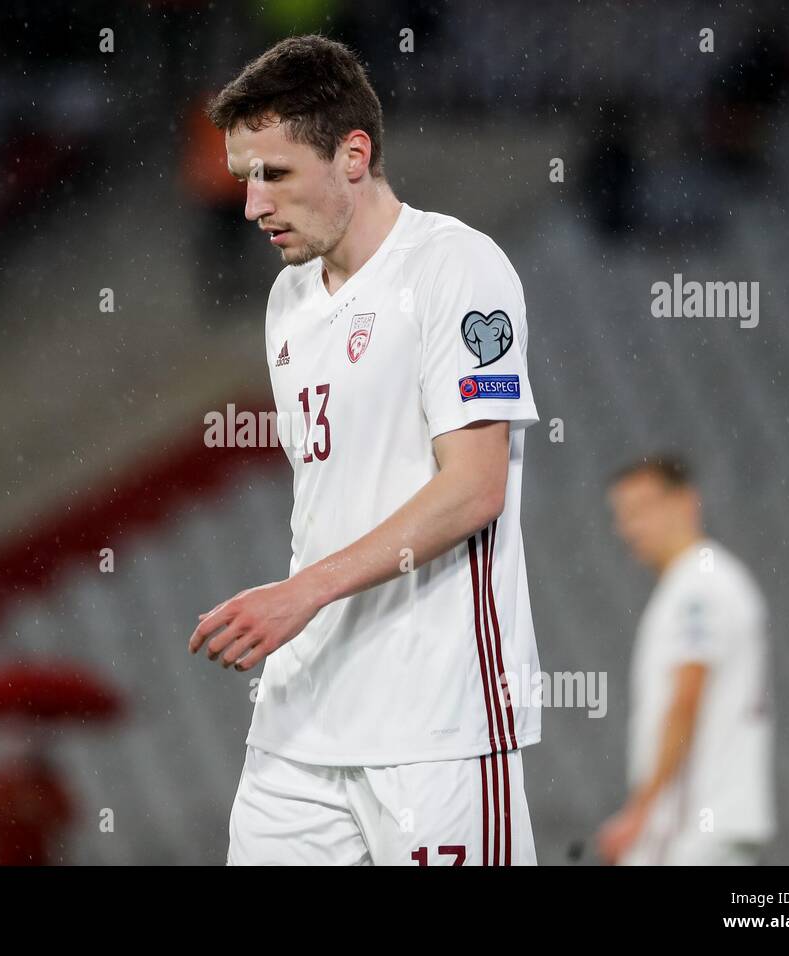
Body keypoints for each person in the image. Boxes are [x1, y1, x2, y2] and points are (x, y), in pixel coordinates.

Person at [189, 35, 543, 865]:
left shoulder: (457, 269)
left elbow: (474, 490)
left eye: (273, 174)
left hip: (435, 723)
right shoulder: (287, 300)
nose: (252, 205)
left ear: (354, 155)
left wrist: (302, 593)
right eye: (244, 178)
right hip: (297, 724)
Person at [598, 456, 774, 865]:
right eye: (622, 515)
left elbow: (686, 699)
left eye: (641, 509)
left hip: (693, 830)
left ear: (686, 502)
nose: (629, 527)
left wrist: (641, 809)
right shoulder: (698, 583)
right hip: (703, 828)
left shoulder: (700, 587)